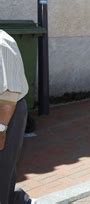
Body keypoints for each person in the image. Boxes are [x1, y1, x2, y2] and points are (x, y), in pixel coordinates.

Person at [0, 30, 32, 204]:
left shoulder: (1, 43)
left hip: (6, 114)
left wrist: (1, 129)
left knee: (1, 172)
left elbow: (9, 93)